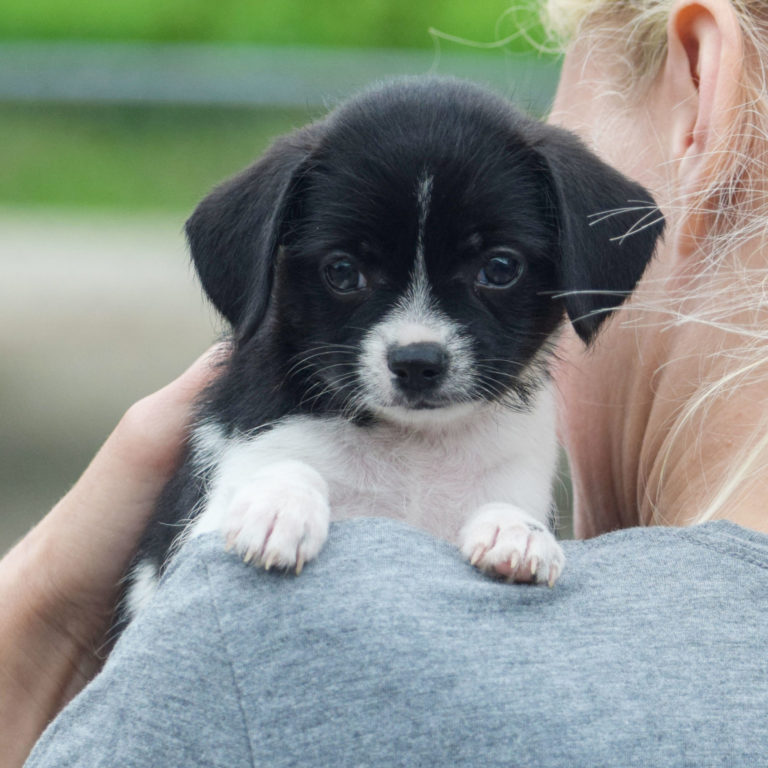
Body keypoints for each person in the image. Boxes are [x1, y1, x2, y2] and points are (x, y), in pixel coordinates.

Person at [4, 0, 768, 764]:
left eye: (497, 270)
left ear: (703, 87)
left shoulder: (247, 638)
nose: (419, 339)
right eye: (346, 272)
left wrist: (34, 628)